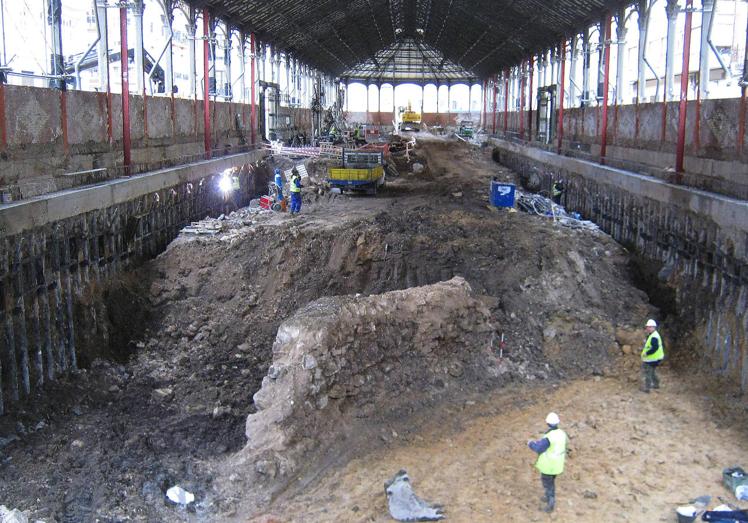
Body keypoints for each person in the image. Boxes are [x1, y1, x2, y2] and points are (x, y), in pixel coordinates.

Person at [527, 412, 568, 513]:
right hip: (558, 465)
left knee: (548, 484)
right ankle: (548, 496)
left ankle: (550, 502)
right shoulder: (562, 433)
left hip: (549, 466)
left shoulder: (549, 437)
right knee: (551, 482)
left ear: (547, 423)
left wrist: (530, 443)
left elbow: (539, 448)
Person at [641, 318, 664, 392]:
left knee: (648, 372)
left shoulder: (654, 337)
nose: (648, 328)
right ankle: (656, 384)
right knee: (652, 372)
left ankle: (647, 388)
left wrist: (646, 353)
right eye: (648, 327)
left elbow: (655, 348)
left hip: (652, 358)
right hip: (655, 358)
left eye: (650, 327)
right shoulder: (653, 335)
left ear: (653, 327)